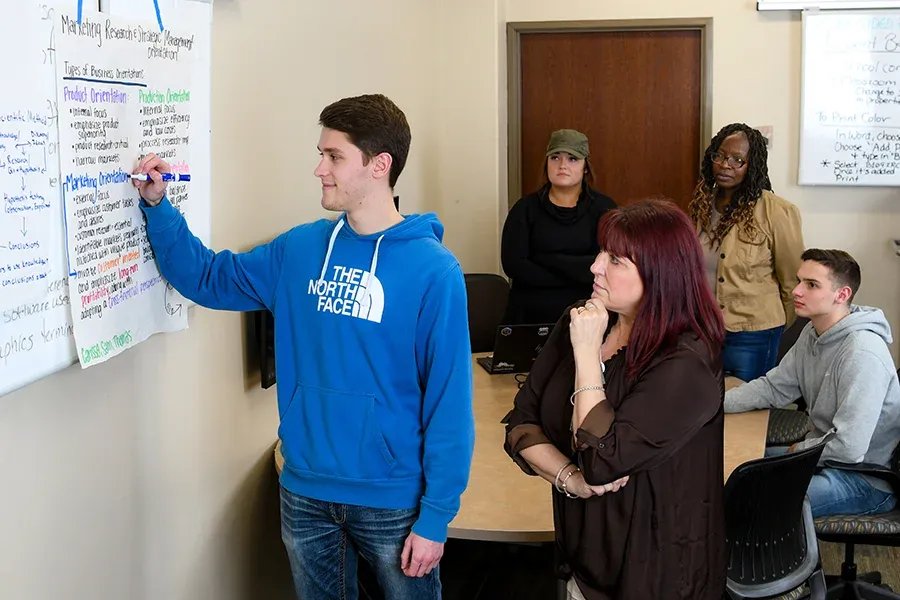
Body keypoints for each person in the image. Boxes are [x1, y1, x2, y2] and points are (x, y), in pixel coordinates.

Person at [133, 94, 475, 599]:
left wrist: (437, 516)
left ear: (380, 165)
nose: (319, 169)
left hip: (392, 499)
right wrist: (158, 207)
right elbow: (207, 278)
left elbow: (450, 401)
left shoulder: (435, 271)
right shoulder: (299, 249)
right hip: (305, 490)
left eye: (334, 156)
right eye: (321, 154)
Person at [504, 199, 727, 600]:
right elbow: (521, 423)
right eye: (601, 252)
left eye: (616, 260)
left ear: (661, 273)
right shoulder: (583, 319)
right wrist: (571, 479)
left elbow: (600, 459)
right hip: (586, 553)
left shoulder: (686, 360)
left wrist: (587, 355)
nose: (595, 267)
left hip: (654, 570)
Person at [725, 249, 900, 518]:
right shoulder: (813, 333)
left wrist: (800, 449)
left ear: (842, 295)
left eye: (811, 285)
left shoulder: (863, 352)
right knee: (735, 469)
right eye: (799, 281)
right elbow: (773, 387)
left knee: (748, 498)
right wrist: (716, 403)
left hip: (864, 479)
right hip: (822, 458)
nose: (796, 291)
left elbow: (849, 448)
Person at [690, 123, 805, 382]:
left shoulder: (778, 212)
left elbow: (792, 281)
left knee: (746, 403)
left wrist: (774, 328)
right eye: (719, 156)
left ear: (752, 165)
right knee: (702, 398)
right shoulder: (700, 206)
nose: (725, 165)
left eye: (737, 160)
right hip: (703, 328)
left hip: (753, 334)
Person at [501, 129, 616, 325]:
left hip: (588, 314)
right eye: (555, 157)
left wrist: (546, 258)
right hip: (530, 315)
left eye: (572, 159)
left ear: (585, 167)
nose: (562, 165)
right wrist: (576, 271)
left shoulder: (604, 209)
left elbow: (609, 263)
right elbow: (514, 266)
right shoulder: (524, 209)